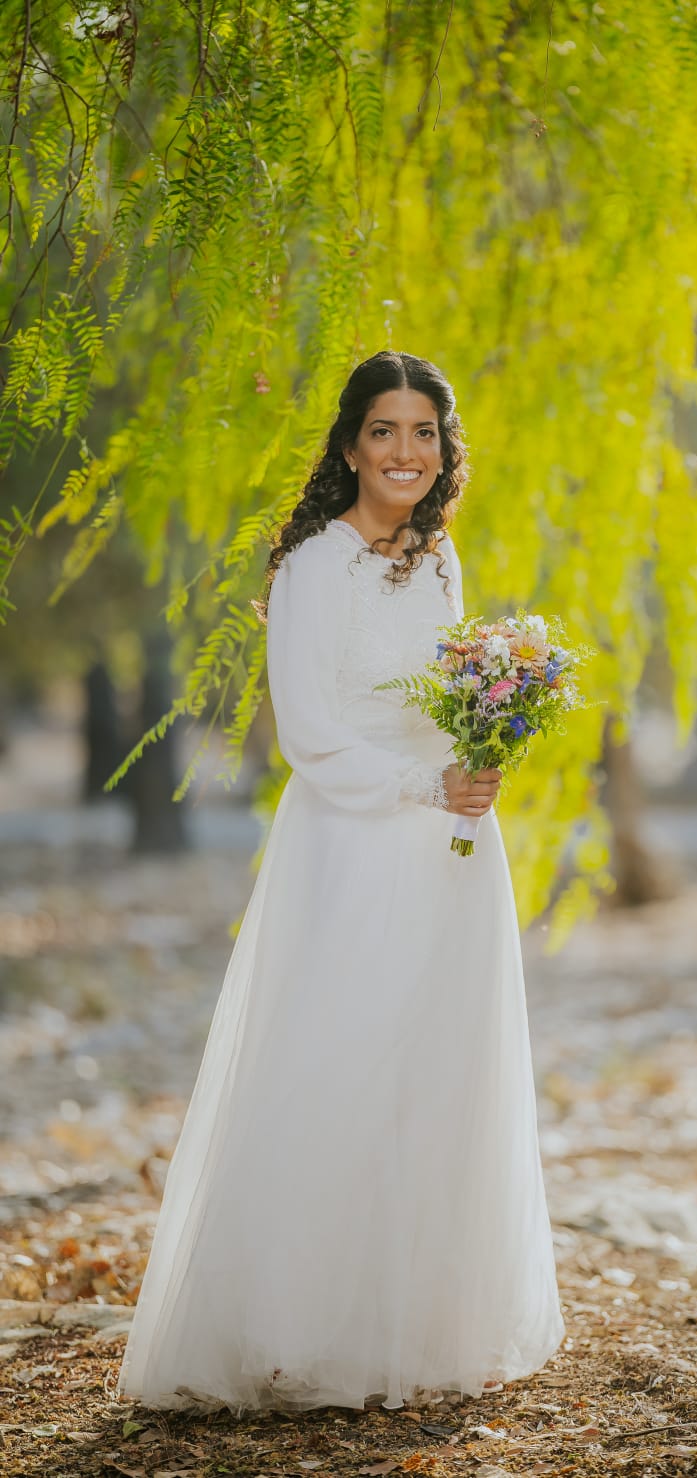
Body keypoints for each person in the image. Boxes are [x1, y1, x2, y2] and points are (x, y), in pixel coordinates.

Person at [114, 349, 565, 1415]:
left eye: (423, 433)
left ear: (443, 449)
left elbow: (444, 694)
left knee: (438, 1063)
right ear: (351, 446)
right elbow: (309, 736)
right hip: (353, 838)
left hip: (451, 842)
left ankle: (427, 1323)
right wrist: (421, 783)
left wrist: (481, 749)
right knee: (341, 1058)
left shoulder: (441, 560)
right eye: (383, 431)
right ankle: (298, 1329)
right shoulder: (314, 565)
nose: (405, 452)